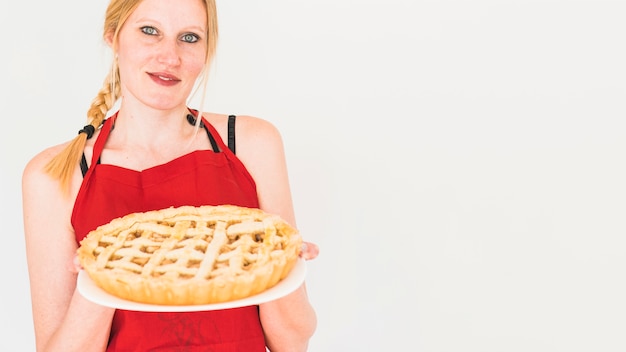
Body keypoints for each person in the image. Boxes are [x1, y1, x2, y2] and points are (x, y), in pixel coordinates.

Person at [21, 0, 319, 350]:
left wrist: (282, 264)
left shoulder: (252, 144)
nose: (170, 57)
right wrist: (101, 274)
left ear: (207, 50)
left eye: (189, 37)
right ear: (114, 38)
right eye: (150, 31)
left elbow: (292, 341)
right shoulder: (53, 174)